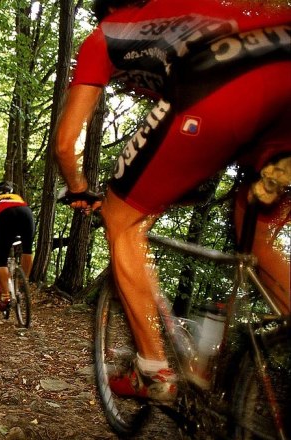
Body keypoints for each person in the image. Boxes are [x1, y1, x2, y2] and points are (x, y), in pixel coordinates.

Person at [54, 0, 291, 402]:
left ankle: (153, 371)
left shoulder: (106, 34)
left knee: (121, 219)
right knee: (253, 229)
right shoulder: (193, 12)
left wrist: (78, 188)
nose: (131, 88)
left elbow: (64, 144)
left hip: (219, 87)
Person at [0, 181, 36, 316]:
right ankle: (24, 284)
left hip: (5, 216)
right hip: (26, 214)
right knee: (27, 250)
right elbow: (17, 213)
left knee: (1, 260)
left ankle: (5, 297)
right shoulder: (17, 197)